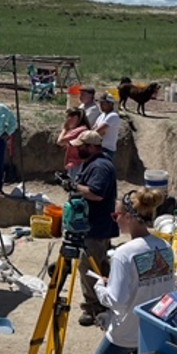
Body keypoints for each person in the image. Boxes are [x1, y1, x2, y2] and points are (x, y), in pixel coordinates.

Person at [91, 189, 176, 354]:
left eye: (117, 215)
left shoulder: (124, 253)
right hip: (153, 332)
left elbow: (117, 301)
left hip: (126, 333)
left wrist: (99, 287)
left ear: (128, 216)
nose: (116, 220)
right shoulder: (165, 247)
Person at [68, 130, 118, 327]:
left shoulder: (100, 167)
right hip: (94, 225)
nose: (78, 149)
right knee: (101, 265)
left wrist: (74, 187)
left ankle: (93, 307)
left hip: (96, 227)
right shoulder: (94, 163)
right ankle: (105, 300)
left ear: (91, 147)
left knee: (89, 267)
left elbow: (97, 194)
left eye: (81, 146)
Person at [56, 107, 90, 180]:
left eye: (68, 118)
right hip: (77, 164)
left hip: (76, 164)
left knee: (74, 187)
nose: (67, 121)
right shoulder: (83, 128)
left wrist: (65, 129)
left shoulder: (78, 130)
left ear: (75, 118)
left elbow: (60, 142)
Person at [93, 93, 121, 160]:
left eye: (103, 103)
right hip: (98, 148)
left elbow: (97, 131)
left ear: (111, 104)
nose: (101, 105)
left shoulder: (113, 116)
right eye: (100, 103)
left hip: (107, 150)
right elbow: (94, 129)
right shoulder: (102, 115)